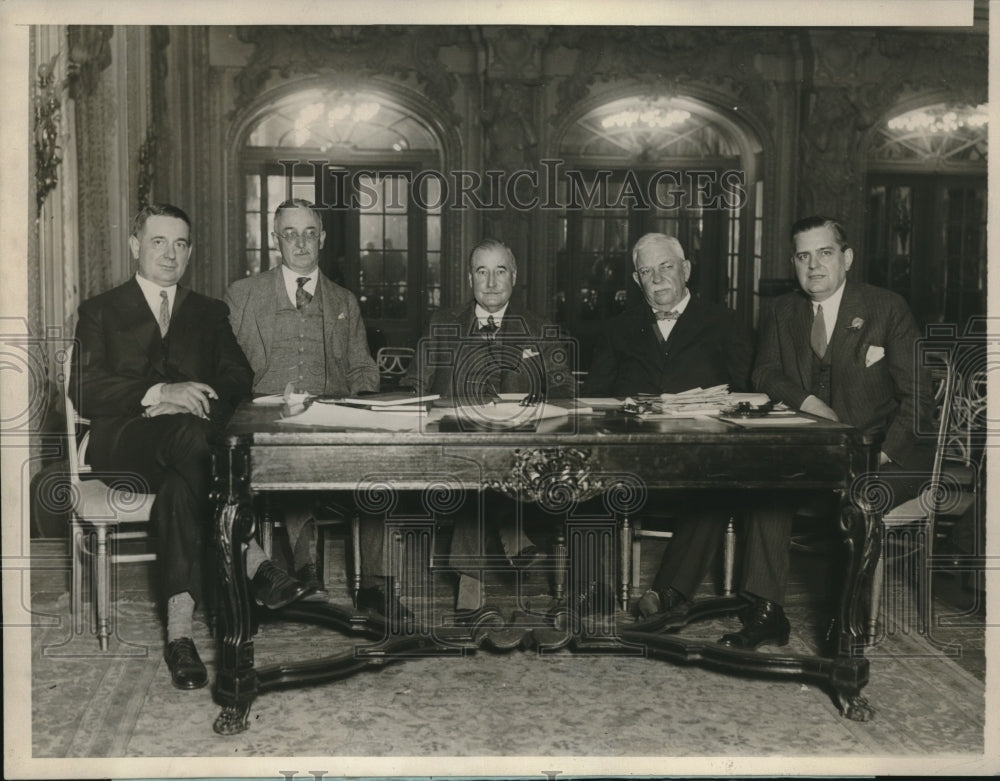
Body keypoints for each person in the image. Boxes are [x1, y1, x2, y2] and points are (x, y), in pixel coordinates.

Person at [72, 203, 312, 691]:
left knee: (183, 487)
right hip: (124, 443)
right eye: (158, 242)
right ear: (135, 245)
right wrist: (160, 393)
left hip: (191, 446)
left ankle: (179, 635)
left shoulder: (208, 311)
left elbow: (239, 378)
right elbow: (85, 388)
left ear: (189, 252)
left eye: (180, 244)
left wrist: (199, 404)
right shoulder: (100, 310)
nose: (170, 254)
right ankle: (253, 558)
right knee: (192, 441)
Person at [721, 215, 935, 648]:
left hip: (890, 454)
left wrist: (879, 454)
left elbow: (919, 399)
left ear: (847, 258)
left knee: (860, 498)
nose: (814, 265)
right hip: (819, 452)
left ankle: (846, 618)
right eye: (803, 256)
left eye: (825, 253)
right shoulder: (783, 311)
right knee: (767, 485)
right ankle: (767, 611)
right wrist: (809, 402)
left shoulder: (886, 307)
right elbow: (764, 372)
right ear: (793, 263)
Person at [225, 199, 403, 618]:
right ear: (276, 240)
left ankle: (374, 587)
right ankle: (306, 569)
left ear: (322, 238)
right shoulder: (243, 295)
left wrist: (361, 408)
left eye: (309, 233)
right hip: (268, 424)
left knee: (379, 463)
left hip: (333, 421)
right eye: (290, 234)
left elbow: (362, 367)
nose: (301, 243)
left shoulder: (344, 300)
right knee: (294, 455)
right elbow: (225, 367)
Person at [582, 232, 754, 620]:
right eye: (647, 271)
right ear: (636, 279)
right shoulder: (617, 328)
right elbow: (594, 399)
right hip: (629, 461)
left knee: (718, 487)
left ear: (686, 270)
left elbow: (749, 397)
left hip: (702, 459)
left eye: (666, 267)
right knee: (581, 474)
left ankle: (665, 594)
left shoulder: (725, 323)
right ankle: (588, 591)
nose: (657, 278)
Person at [401, 238, 574, 620]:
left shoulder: (539, 328)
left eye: (500, 271)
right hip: (451, 446)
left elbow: (565, 392)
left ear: (514, 276)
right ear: (470, 278)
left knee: (487, 468)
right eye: (482, 271)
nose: (491, 282)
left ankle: (470, 590)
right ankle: (512, 534)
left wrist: (533, 408)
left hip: (519, 450)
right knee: (477, 465)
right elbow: (413, 385)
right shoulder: (444, 325)